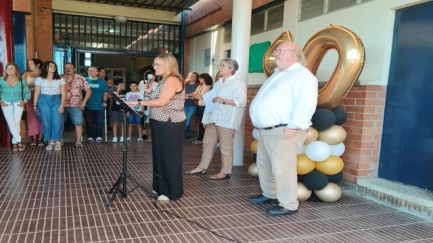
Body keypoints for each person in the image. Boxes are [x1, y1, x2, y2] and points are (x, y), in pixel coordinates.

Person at [249, 41, 318, 217]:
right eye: (276, 51)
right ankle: (270, 194)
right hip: (268, 130)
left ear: (294, 54)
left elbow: (306, 103)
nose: (276, 54)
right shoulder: (278, 74)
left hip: (285, 130)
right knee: (264, 165)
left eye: (280, 51)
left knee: (283, 169)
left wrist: (293, 126)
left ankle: (289, 204)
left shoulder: (302, 75)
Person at [126, 53, 185, 201]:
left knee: (169, 156)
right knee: (159, 155)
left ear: (168, 65)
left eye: (157, 64)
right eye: (154, 64)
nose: (154, 67)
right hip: (159, 120)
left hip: (170, 121)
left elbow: (162, 102)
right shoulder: (163, 80)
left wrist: (139, 102)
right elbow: (158, 98)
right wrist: (150, 93)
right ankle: (160, 187)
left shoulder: (172, 79)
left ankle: (172, 191)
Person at [186, 58, 247, 180]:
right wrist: (205, 119)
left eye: (223, 65)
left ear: (231, 69)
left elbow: (241, 102)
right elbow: (211, 101)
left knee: (226, 147)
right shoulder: (218, 83)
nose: (220, 67)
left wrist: (222, 100)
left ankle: (225, 171)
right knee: (207, 144)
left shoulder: (238, 83)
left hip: (227, 118)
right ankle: (202, 167)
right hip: (212, 117)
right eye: (220, 65)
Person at [33, 61, 66, 151]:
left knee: (57, 121)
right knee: (46, 121)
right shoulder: (39, 79)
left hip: (57, 99)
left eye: (54, 66)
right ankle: (50, 141)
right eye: (50, 66)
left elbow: (63, 93)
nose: (53, 67)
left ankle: (57, 140)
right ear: (46, 68)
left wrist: (62, 105)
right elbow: (37, 92)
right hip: (43, 99)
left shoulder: (60, 79)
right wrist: (34, 105)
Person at [0, 63, 31, 151]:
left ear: (16, 70)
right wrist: (0, 101)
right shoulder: (1, 80)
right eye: (7, 69)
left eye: (11, 68)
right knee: (11, 122)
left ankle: (14, 143)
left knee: (16, 122)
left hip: (19, 103)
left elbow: (27, 92)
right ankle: (19, 142)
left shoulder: (22, 81)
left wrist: (24, 101)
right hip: (5, 103)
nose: (9, 70)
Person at [62, 63, 92, 147]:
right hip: (61, 104)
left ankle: (78, 141)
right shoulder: (59, 78)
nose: (68, 69)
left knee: (78, 123)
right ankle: (59, 140)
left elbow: (89, 91)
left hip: (76, 104)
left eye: (70, 68)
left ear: (74, 69)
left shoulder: (80, 78)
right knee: (59, 123)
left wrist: (84, 102)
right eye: (66, 68)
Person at [22, 59, 44, 146]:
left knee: (42, 116)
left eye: (31, 63)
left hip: (42, 97)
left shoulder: (44, 74)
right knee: (31, 117)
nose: (29, 65)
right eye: (28, 64)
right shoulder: (26, 74)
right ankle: (34, 138)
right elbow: (20, 85)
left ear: (38, 64)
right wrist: (31, 85)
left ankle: (41, 138)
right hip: (29, 97)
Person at [84, 66, 108, 143]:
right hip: (88, 105)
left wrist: (104, 101)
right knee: (89, 122)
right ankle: (90, 136)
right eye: (89, 70)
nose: (90, 72)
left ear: (97, 72)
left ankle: (98, 136)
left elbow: (105, 92)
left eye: (92, 71)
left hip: (99, 105)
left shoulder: (102, 82)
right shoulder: (85, 80)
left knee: (99, 122)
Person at [191, 73, 213, 145]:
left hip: (204, 106)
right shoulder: (200, 86)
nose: (199, 79)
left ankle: (201, 139)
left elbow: (202, 97)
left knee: (203, 123)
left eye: (201, 78)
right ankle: (200, 138)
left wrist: (197, 95)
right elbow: (195, 94)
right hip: (200, 105)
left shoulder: (208, 86)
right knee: (200, 122)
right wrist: (197, 95)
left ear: (205, 78)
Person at [138, 69, 157, 140]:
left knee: (153, 117)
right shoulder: (142, 82)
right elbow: (140, 92)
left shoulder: (156, 84)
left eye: (154, 75)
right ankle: (144, 133)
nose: (153, 77)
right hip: (144, 101)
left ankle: (154, 132)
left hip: (152, 102)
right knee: (143, 117)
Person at [183, 72, 199, 139]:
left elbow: (195, 93)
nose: (192, 77)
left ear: (196, 77)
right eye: (191, 76)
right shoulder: (185, 84)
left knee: (188, 118)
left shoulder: (198, 85)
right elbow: (181, 92)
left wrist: (186, 95)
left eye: (194, 76)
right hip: (185, 103)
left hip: (193, 104)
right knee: (185, 119)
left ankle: (181, 134)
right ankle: (187, 134)